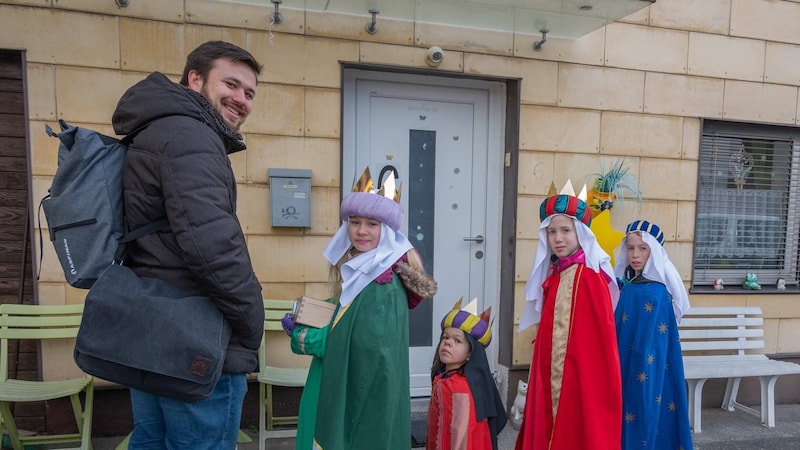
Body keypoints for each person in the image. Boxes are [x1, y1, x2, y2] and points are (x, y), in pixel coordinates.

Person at [111, 41, 265, 449]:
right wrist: (251, 322)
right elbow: (212, 247)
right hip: (196, 338)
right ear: (194, 79)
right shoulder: (190, 135)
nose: (241, 100)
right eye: (231, 84)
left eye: (249, 93)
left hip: (150, 329)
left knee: (151, 440)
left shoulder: (156, 127)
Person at [281, 167, 436, 450]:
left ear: (386, 231)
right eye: (355, 222)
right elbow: (349, 312)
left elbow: (364, 346)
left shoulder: (382, 281)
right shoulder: (368, 265)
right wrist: (309, 314)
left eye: (372, 224)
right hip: (352, 380)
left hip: (356, 389)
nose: (361, 231)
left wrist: (305, 337)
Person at [515, 187, 622, 450]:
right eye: (552, 232)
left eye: (566, 231)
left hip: (577, 375)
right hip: (552, 367)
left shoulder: (587, 277)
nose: (558, 238)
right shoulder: (558, 272)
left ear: (580, 234)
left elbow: (595, 342)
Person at [614, 220, 693, 450]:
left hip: (650, 367)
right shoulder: (623, 288)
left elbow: (655, 343)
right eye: (630, 248)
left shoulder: (657, 293)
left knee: (646, 408)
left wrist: (642, 364)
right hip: (621, 362)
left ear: (654, 252)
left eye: (642, 248)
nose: (635, 254)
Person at [427, 298, 507, 450]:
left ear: (471, 353)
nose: (448, 342)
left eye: (457, 341)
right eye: (445, 337)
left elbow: (461, 439)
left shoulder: (461, 389)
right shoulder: (442, 379)